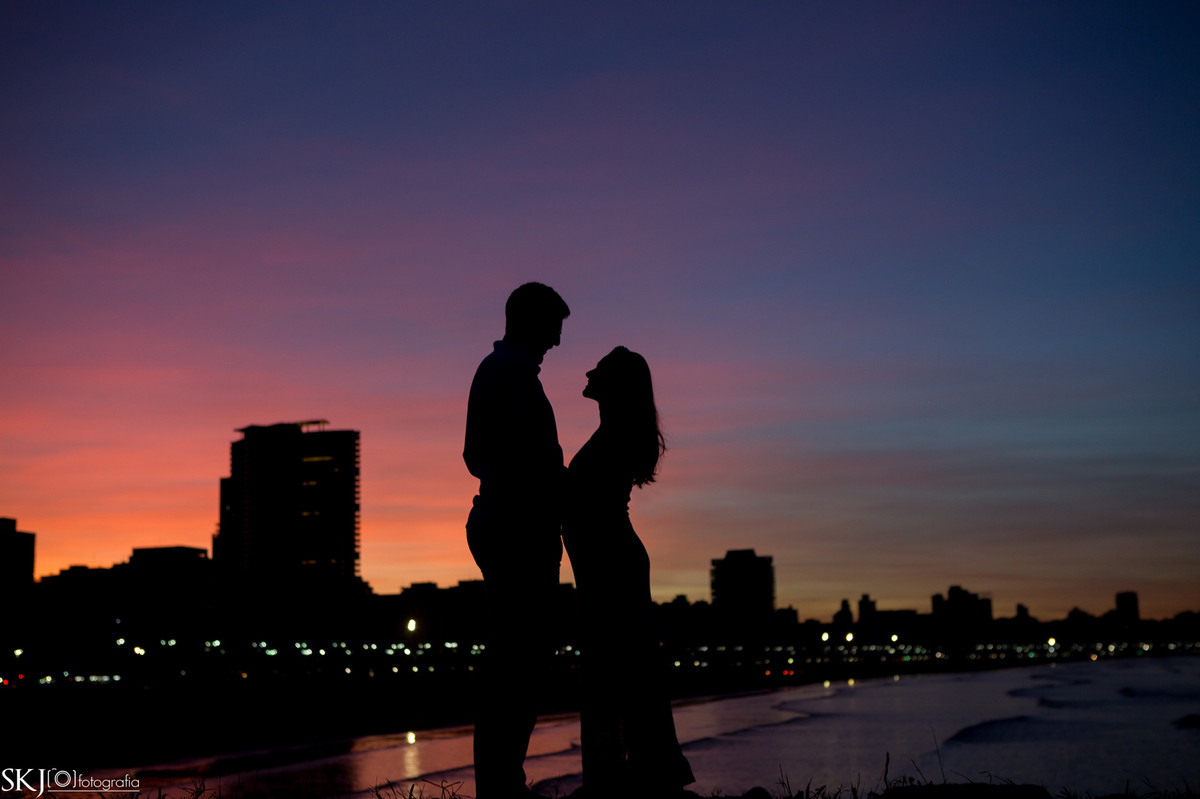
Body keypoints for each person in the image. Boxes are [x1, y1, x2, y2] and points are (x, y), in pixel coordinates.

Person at [563, 346, 695, 798]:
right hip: (608, 559)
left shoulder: (614, 437)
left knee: (618, 670)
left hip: (611, 561)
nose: (588, 371)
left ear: (615, 386)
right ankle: (631, 778)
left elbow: (582, 502)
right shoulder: (610, 434)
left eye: (599, 369)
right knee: (622, 668)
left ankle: (621, 781)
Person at [464, 282, 571, 799]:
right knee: (519, 665)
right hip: (517, 528)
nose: (556, 341)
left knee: (516, 661)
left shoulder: (505, 371)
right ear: (529, 322)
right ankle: (503, 786)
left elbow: (483, 453)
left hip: (509, 523)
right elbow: (509, 455)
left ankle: (503, 783)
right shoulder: (508, 373)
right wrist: (556, 483)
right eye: (552, 328)